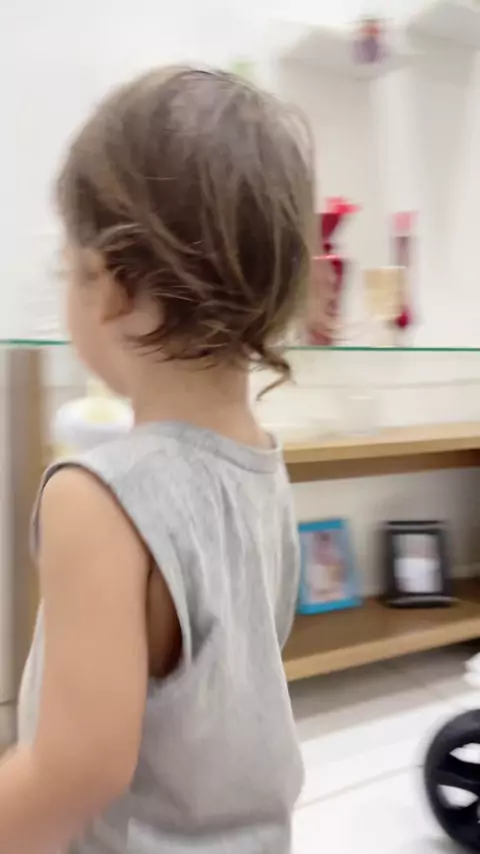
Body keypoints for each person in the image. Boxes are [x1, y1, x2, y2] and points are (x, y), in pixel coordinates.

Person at [3, 67, 314, 853]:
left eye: (67, 269)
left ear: (110, 285)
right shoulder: (262, 466)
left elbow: (70, 777)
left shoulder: (95, 499)